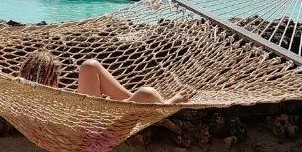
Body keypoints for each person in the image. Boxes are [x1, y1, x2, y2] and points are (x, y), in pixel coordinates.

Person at [18, 50, 190, 104]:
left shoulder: (26, 96)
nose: (59, 80)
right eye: (55, 76)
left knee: (89, 66)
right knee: (148, 93)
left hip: (90, 114)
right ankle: (165, 104)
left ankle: (132, 101)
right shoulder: (46, 102)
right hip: (92, 132)